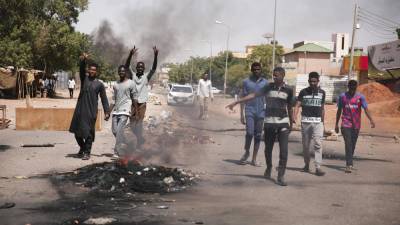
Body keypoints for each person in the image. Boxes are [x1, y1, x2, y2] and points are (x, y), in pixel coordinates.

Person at [227, 67, 294, 186]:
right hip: (269, 123)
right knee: (268, 149)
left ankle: (281, 175)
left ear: (283, 75)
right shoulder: (268, 87)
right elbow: (253, 95)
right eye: (273, 75)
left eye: (277, 75)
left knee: (284, 151)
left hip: (283, 123)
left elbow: (289, 106)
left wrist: (291, 122)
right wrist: (236, 102)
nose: (274, 77)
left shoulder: (289, 90)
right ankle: (268, 168)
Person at [69, 53, 110, 160]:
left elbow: (104, 99)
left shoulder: (99, 84)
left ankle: (87, 152)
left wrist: (107, 111)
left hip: (91, 111)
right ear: (89, 70)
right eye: (90, 69)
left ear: (96, 71)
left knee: (88, 133)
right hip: (80, 109)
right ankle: (82, 148)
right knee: (77, 132)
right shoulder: (84, 79)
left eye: (94, 70)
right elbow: (81, 69)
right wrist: (84, 60)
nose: (92, 71)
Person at [335, 80, 375, 173]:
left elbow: (366, 109)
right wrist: (336, 124)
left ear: (356, 87)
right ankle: (348, 165)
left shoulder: (360, 97)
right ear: (348, 87)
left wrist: (371, 120)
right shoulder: (342, 97)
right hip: (345, 124)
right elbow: (339, 110)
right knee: (348, 144)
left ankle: (350, 161)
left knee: (352, 145)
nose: (352, 90)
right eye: (351, 88)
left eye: (354, 88)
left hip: (356, 125)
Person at [125, 45, 159, 146]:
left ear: (144, 69)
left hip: (142, 104)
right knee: (131, 125)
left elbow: (153, 68)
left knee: (139, 123)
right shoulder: (133, 76)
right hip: (133, 103)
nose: (140, 68)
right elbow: (126, 66)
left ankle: (139, 142)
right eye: (138, 67)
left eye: (141, 67)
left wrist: (155, 55)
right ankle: (140, 138)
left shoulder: (146, 77)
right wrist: (130, 54)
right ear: (136, 68)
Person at [294, 72, 326, 176]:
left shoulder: (322, 93)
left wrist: (322, 122)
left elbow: (322, 108)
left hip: (318, 123)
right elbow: (297, 105)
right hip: (306, 122)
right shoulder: (303, 92)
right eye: (311, 81)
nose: (312, 83)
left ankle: (318, 167)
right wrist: (295, 116)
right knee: (306, 145)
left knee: (318, 144)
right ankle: (306, 165)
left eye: (314, 81)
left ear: (318, 81)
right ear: (308, 81)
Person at [238, 62, 268, 166]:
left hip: (261, 112)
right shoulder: (246, 82)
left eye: (258, 69)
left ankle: (254, 159)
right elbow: (242, 98)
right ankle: (246, 152)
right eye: (254, 69)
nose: (256, 71)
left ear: (261, 70)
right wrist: (241, 114)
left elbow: (267, 98)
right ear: (251, 70)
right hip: (249, 110)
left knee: (258, 135)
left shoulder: (265, 82)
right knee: (250, 133)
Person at [109, 65, 136, 157]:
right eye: (120, 71)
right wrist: (108, 112)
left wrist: (134, 110)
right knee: (114, 131)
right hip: (116, 110)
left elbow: (134, 97)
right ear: (118, 72)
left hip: (125, 110)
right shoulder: (116, 84)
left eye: (123, 71)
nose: (121, 72)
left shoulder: (131, 83)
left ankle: (116, 151)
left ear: (126, 72)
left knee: (119, 131)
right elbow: (113, 99)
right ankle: (126, 143)